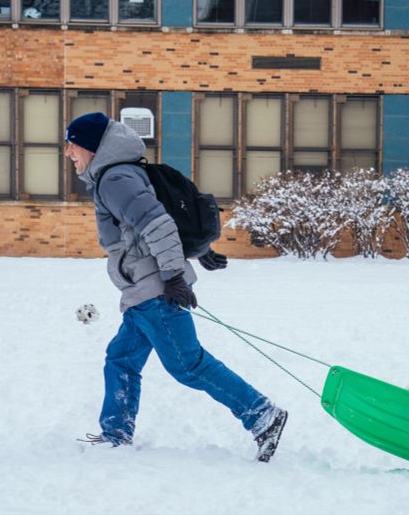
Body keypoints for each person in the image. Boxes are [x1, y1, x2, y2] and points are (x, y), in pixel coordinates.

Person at [65, 112, 288, 462]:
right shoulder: (121, 175)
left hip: (155, 291)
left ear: (92, 147)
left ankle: (262, 415)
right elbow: (153, 224)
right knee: (120, 360)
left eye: (73, 145)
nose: (69, 153)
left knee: (188, 365)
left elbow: (158, 224)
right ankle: (115, 432)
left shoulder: (115, 180)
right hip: (141, 293)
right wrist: (201, 252)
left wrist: (173, 277)